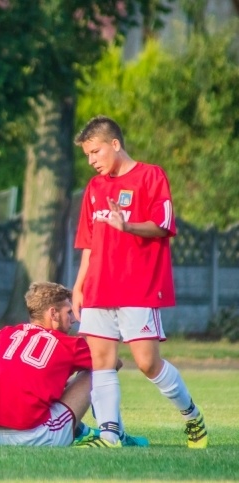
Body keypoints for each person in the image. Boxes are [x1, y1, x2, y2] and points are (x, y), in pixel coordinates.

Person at [72, 115, 207, 448]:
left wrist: (127, 225)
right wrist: (78, 286)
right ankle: (109, 435)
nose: (92, 161)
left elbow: (163, 225)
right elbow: (89, 243)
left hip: (138, 287)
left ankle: (192, 416)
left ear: (115, 145)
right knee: (100, 362)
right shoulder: (94, 188)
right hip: (98, 288)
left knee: (147, 363)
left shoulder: (151, 176)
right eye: (87, 155)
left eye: (95, 152)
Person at [0, 282, 103, 447]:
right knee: (95, 372)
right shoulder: (68, 344)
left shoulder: (6, 333)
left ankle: (83, 432)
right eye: (68, 312)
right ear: (53, 313)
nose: (72, 319)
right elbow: (110, 363)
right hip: (34, 436)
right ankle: (111, 432)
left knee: (46, 388)